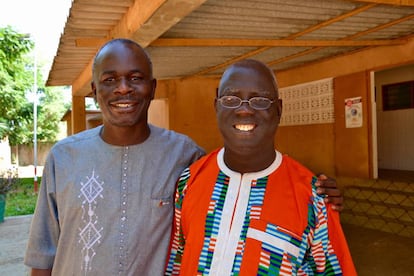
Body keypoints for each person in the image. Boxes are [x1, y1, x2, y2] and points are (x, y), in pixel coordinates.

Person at [24, 39, 343, 275]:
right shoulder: (63, 158)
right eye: (110, 80)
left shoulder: (186, 158)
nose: (123, 89)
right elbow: (42, 254)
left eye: (135, 78)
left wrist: (316, 194)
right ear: (94, 90)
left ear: (152, 87)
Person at [165, 59, 356, 275]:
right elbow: (175, 261)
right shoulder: (189, 181)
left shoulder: (314, 198)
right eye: (231, 98)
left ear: (279, 109)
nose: (244, 110)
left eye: (260, 100)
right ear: (216, 105)